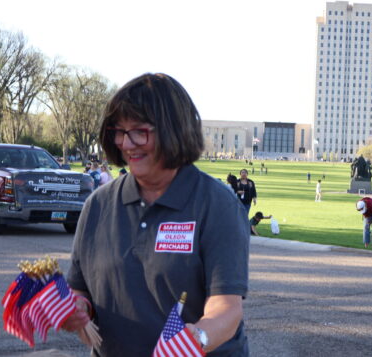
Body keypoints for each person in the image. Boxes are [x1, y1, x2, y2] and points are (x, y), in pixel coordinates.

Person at [63, 73, 249, 356]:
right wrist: (76, 310)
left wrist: (197, 337)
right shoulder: (98, 205)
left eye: (139, 131)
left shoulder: (216, 205)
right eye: (119, 131)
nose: (126, 144)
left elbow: (226, 308)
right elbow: (80, 291)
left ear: (173, 131)